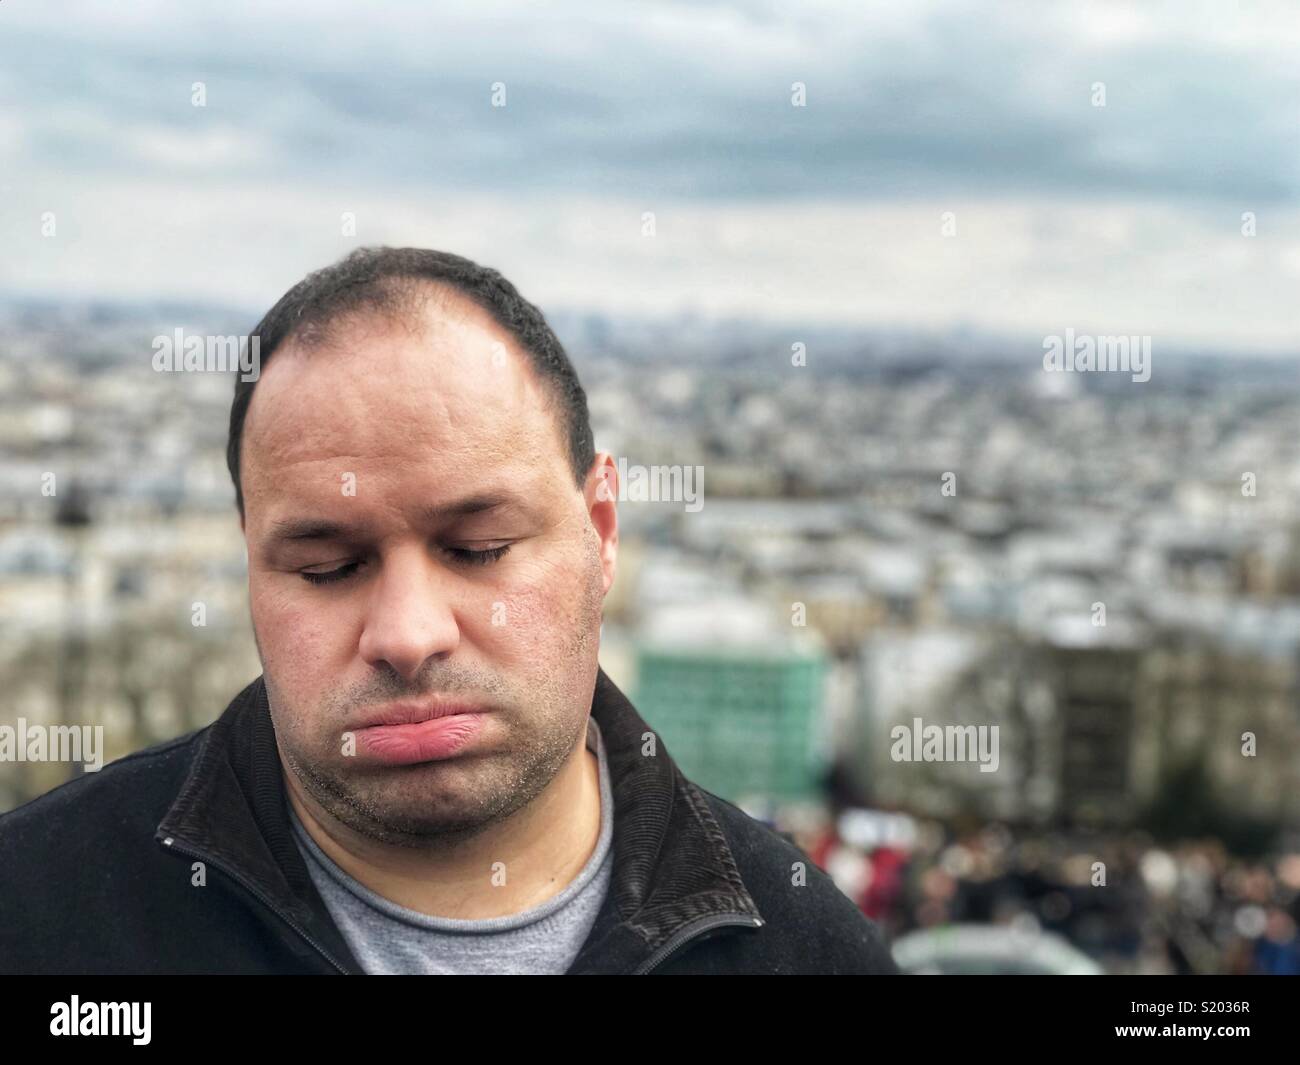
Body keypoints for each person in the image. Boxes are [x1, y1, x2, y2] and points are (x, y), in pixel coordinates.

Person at [0, 247, 899, 974]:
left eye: (478, 551)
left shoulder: (812, 948)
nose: (407, 634)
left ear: (601, 534)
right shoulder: (32, 911)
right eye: (327, 566)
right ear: (250, 568)